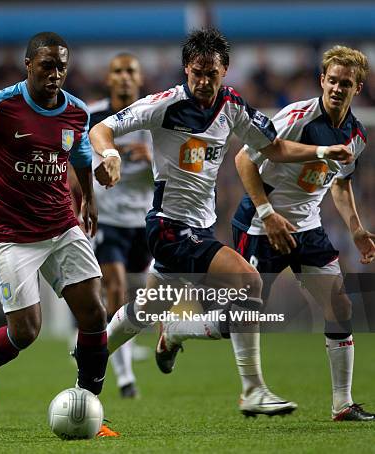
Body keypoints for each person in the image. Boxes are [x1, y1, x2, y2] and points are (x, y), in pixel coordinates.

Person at [89, 28, 353, 417]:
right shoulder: (165, 105)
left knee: (146, 310)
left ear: (224, 70)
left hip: (200, 226)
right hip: (169, 227)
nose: (203, 81)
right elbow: (102, 128)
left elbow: (274, 148)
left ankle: (87, 355)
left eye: (212, 73)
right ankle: (252, 390)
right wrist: (109, 153)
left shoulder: (232, 107)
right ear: (186, 69)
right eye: (197, 72)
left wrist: (320, 150)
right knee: (248, 281)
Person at [0, 32, 117, 437]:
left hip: (61, 224)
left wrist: (88, 197)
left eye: (61, 67)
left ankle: (89, 407)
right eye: (47, 66)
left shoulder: (76, 111)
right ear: (28, 65)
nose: (55, 74)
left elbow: (82, 154)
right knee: (26, 331)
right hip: (11, 234)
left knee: (94, 314)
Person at [230, 45, 374, 421]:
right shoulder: (295, 117)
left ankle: (342, 404)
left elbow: (340, 183)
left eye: (347, 83)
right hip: (262, 224)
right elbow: (245, 158)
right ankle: (177, 329)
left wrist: (356, 228)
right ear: (321, 81)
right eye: (332, 81)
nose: (338, 89)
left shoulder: (356, 136)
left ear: (358, 88)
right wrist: (268, 213)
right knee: (243, 315)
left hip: (308, 227)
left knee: (339, 305)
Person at [88, 53, 153, 398]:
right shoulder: (92, 116)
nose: (125, 77)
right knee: (114, 289)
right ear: (109, 78)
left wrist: (153, 159)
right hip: (108, 220)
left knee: (140, 301)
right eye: (118, 71)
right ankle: (125, 379)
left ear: (139, 78)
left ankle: (97, 345)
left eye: (131, 70)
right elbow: (75, 162)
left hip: (143, 221)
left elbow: (177, 168)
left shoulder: (155, 115)